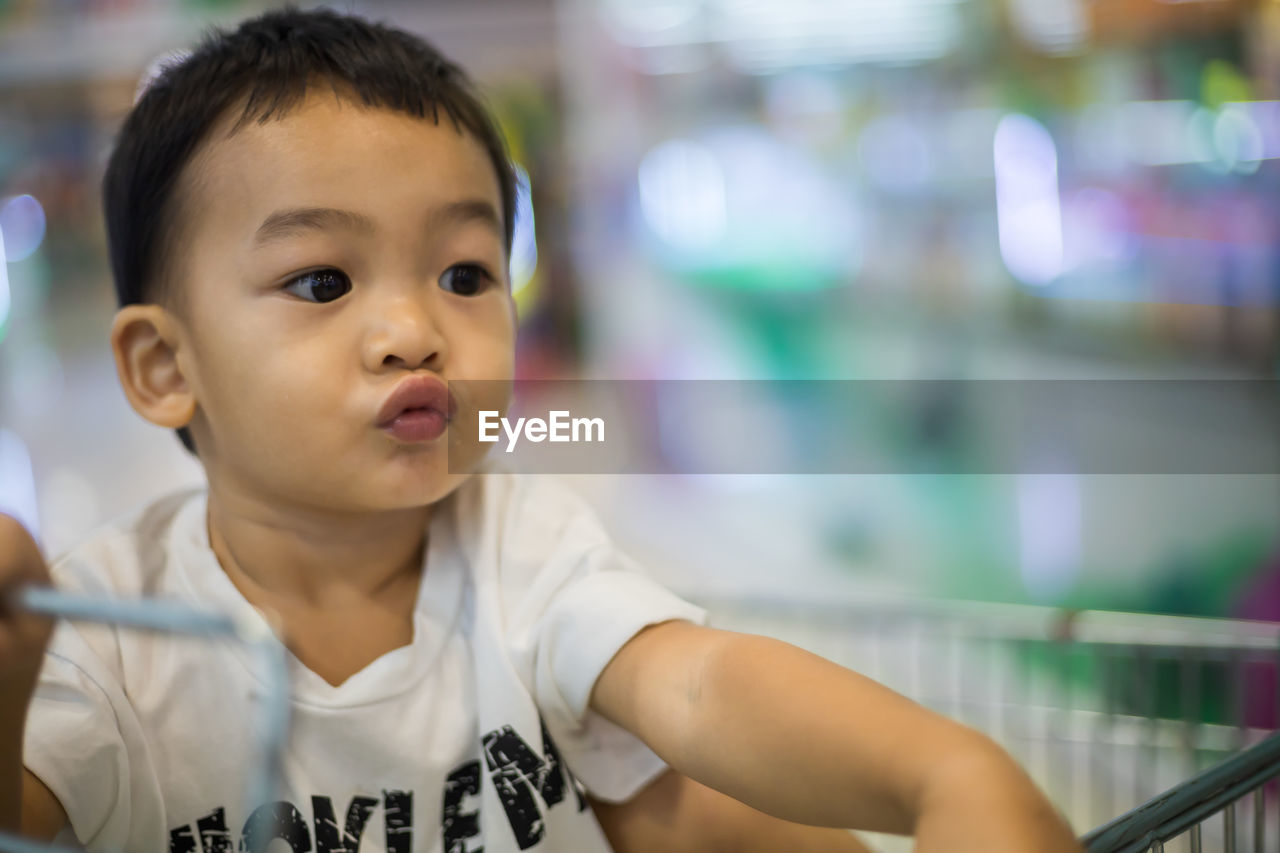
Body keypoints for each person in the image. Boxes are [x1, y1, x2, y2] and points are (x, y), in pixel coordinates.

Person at [0, 7, 1084, 852]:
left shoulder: (519, 548)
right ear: (165, 366)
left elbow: (695, 687)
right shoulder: (108, 623)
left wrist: (943, 772)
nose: (413, 330)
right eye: (322, 279)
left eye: (464, 273)